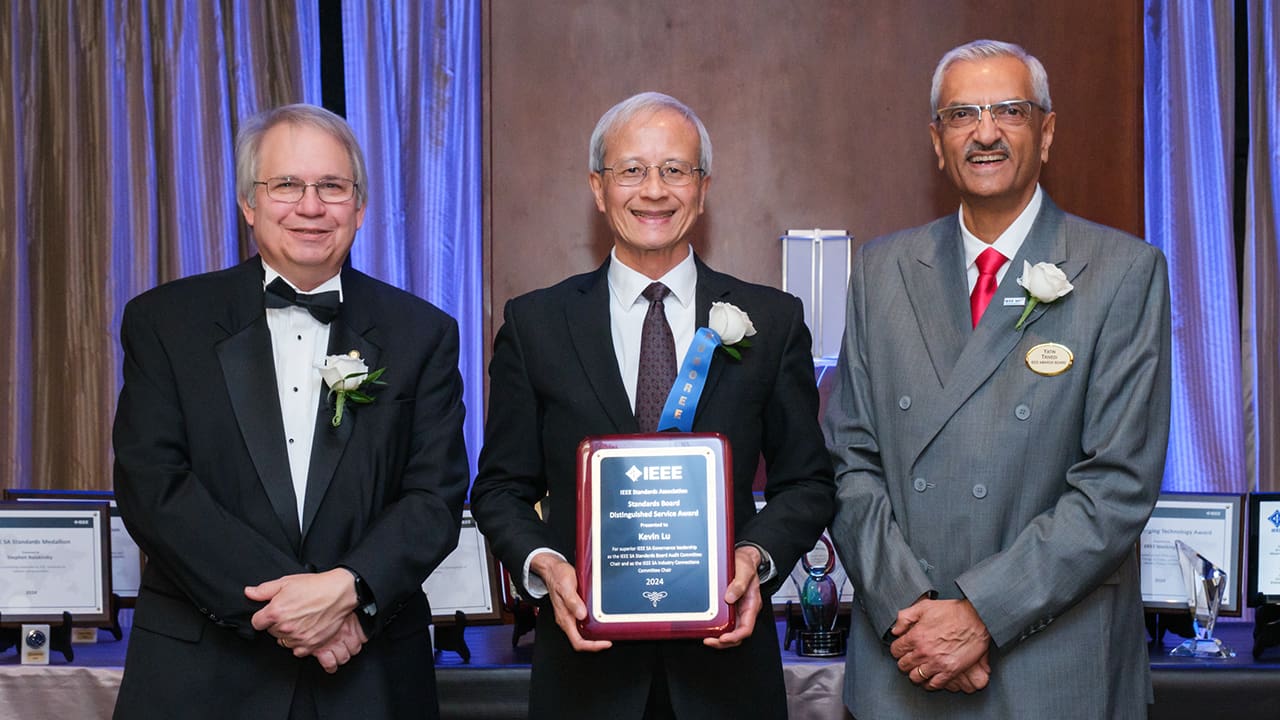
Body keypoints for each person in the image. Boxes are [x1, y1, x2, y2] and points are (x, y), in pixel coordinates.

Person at [824, 39, 1171, 719]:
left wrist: (981, 614)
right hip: (907, 662)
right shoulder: (880, 271)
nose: (984, 133)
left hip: (1055, 669)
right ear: (937, 140)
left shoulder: (1123, 272)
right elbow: (847, 463)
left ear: (1046, 134)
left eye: (1008, 111)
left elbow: (1117, 485)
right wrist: (916, 613)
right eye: (961, 116)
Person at [469, 92, 834, 719]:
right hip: (584, 676)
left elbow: (807, 481)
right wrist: (546, 566)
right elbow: (500, 487)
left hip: (728, 676)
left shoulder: (770, 321)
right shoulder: (536, 324)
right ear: (597, 187)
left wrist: (754, 558)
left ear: (703, 186)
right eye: (631, 170)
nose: (654, 190)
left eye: (675, 169)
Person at [112, 103, 469, 719]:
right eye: (286, 185)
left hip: (370, 679)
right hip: (202, 675)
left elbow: (434, 496)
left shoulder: (423, 333)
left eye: (332, 186)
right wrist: (302, 612)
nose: (310, 206)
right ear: (250, 204)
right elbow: (155, 488)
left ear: (359, 206)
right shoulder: (165, 322)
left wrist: (349, 589)